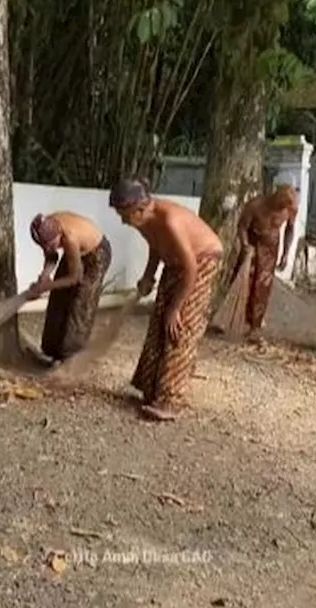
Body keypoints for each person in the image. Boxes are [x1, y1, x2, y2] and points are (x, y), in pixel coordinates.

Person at [109, 177, 223, 421]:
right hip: (176, 264)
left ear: (139, 209)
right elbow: (157, 246)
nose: (122, 219)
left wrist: (177, 306)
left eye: (124, 213)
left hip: (201, 261)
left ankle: (170, 400)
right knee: (159, 321)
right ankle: (152, 390)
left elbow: (191, 267)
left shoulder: (170, 220)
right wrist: (148, 276)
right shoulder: (144, 220)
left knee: (178, 326)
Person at [26, 211, 112, 365]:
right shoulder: (46, 228)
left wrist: (46, 286)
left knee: (80, 302)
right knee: (58, 297)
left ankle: (70, 358)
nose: (49, 248)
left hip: (96, 254)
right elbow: (52, 256)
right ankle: (52, 352)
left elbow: (75, 277)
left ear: (58, 236)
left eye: (52, 245)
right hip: (76, 251)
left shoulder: (70, 239)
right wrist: (44, 276)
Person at [231, 172, 299, 343]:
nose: (287, 201)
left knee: (263, 287)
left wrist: (286, 253)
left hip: (271, 249)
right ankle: (236, 319)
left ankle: (255, 325)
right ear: (276, 191)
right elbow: (242, 226)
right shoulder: (256, 205)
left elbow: (290, 229)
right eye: (285, 195)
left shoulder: (291, 208)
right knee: (245, 281)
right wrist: (246, 246)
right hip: (252, 245)